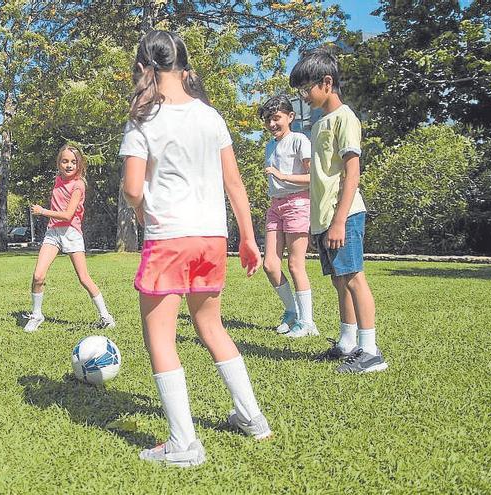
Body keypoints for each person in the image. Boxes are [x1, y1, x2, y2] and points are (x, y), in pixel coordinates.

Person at [119, 30, 270, 467]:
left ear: (144, 68)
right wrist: (248, 237)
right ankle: (252, 417)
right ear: (183, 66)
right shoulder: (211, 116)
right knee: (212, 327)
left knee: (161, 339)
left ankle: (184, 444)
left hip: (169, 237)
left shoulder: (143, 119)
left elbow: (132, 189)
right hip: (212, 238)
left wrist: (142, 205)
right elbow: (235, 183)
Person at [289, 47, 388, 373]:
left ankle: (370, 351)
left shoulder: (345, 119)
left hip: (342, 215)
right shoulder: (320, 123)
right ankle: (347, 343)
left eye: (307, 89)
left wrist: (338, 221)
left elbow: (352, 173)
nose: (305, 97)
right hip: (323, 218)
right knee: (338, 281)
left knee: (354, 278)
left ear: (327, 82)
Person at [23, 144, 115, 332]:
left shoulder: (78, 185)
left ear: (79, 165)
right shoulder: (58, 180)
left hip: (71, 233)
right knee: (38, 275)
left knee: (83, 278)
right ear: (59, 163)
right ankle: (37, 314)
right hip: (53, 233)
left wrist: (42, 211)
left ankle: (106, 317)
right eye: (65, 161)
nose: (69, 165)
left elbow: (67, 214)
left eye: (73, 162)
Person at [258, 94, 318, 338]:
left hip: (297, 204)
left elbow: (312, 177)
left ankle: (308, 323)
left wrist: (282, 176)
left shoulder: (299, 140)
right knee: (270, 265)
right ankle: (292, 312)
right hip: (276, 206)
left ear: (290, 117)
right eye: (267, 120)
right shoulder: (271, 145)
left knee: (295, 265)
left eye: (276, 118)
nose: (272, 124)